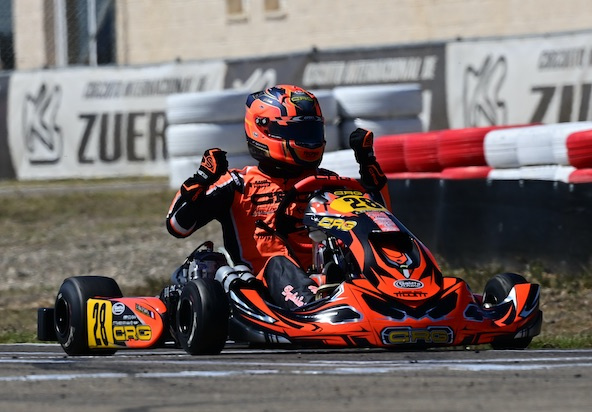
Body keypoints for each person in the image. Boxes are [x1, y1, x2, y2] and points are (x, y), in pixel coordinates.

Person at [166, 85, 389, 310]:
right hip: (260, 288)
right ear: (264, 130)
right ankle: (315, 307)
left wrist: (367, 164)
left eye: (312, 132)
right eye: (299, 133)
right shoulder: (237, 184)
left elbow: (380, 223)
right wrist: (202, 179)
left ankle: (397, 293)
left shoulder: (328, 182)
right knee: (278, 263)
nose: (309, 142)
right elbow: (178, 225)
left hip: (323, 277)